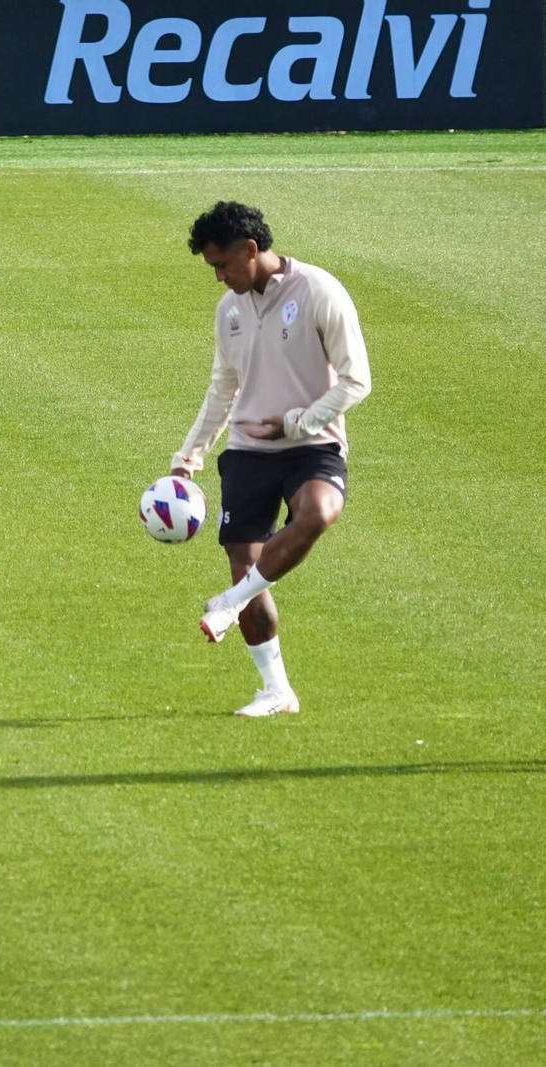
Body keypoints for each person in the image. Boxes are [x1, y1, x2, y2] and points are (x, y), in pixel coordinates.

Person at [171, 202, 372, 717]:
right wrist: (187, 458)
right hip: (249, 452)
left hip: (313, 444)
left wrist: (298, 422)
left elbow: (357, 380)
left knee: (320, 514)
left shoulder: (319, 291)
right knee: (245, 561)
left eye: (222, 265)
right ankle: (276, 690)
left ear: (251, 250)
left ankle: (232, 601)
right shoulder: (230, 310)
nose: (218, 277)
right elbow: (223, 389)